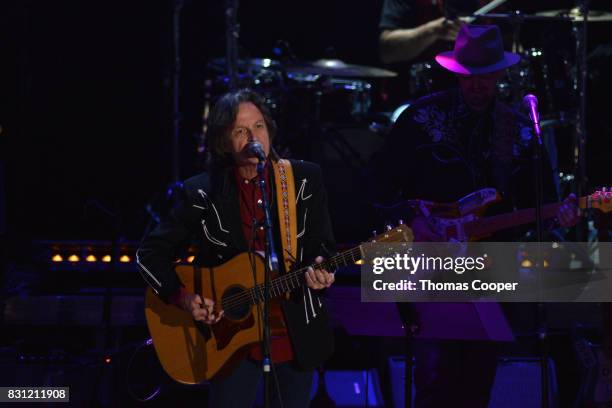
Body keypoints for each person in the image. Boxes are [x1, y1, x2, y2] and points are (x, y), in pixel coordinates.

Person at [369, 25, 579, 407]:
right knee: (433, 377)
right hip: (429, 266)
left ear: (499, 74)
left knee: (477, 381)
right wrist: (411, 220)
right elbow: (378, 183)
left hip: (490, 273)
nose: (478, 85)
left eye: (486, 76)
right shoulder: (420, 118)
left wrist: (558, 218)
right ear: (457, 73)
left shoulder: (518, 130)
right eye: (470, 76)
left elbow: (541, 204)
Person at [137, 89, 336, 407]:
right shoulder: (203, 192)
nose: (253, 138)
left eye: (259, 127)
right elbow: (150, 254)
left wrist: (320, 266)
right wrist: (183, 297)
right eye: (240, 131)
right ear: (223, 142)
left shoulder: (302, 180)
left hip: (295, 333)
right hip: (227, 341)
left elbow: (321, 244)